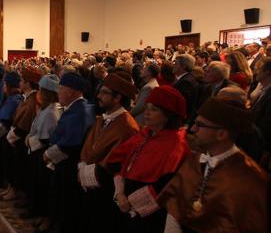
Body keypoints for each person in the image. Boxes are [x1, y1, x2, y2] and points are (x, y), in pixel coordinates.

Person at [158, 98, 268, 232]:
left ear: (221, 134)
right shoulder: (196, 159)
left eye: (200, 124)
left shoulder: (251, 179)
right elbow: (175, 203)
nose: (193, 129)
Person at [105, 86, 190, 233]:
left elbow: (167, 184)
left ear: (168, 115)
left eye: (154, 109)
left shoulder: (177, 143)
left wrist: (131, 202)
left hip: (149, 213)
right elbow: (116, 162)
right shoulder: (144, 133)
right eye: (147, 107)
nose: (147, 113)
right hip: (124, 201)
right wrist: (120, 193)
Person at [78, 72, 140, 233]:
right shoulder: (102, 118)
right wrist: (82, 165)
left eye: (104, 93)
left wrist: (87, 172)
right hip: (90, 186)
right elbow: (88, 148)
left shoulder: (127, 127)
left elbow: (117, 165)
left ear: (118, 98)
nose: (98, 96)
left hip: (106, 192)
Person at [42, 72, 95, 232]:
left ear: (71, 91)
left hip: (69, 167)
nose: (58, 92)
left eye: (61, 88)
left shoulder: (81, 111)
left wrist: (48, 155)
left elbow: (70, 144)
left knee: (67, 202)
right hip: (63, 164)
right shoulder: (76, 107)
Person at [24, 74, 61, 228]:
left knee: (44, 187)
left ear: (47, 93)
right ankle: (39, 213)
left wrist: (29, 141)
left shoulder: (52, 112)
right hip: (36, 152)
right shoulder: (46, 109)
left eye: (41, 90)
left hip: (43, 155)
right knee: (37, 185)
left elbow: (45, 140)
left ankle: (46, 217)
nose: (38, 93)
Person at [2, 68, 41, 201]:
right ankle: (12, 188)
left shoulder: (33, 99)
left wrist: (14, 134)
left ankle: (18, 192)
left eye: (23, 80)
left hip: (22, 140)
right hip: (17, 137)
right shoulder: (28, 97)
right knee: (14, 166)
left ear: (29, 83)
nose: (20, 83)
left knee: (20, 167)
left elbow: (25, 120)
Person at [0, 71, 22, 190]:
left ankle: (2, 184)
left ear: (10, 86)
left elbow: (6, 122)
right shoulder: (11, 98)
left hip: (5, 137)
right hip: (2, 135)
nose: (4, 86)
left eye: (6, 84)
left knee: (5, 163)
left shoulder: (14, 100)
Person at [252, 57, 271, 172]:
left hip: (262, 145)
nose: (255, 72)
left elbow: (268, 125)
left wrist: (266, 151)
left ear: (267, 73)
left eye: (258, 69)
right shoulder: (264, 89)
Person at [173, 54, 198, 125]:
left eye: (176, 63)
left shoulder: (185, 82)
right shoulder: (187, 78)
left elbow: (181, 105)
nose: (173, 65)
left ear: (183, 66)